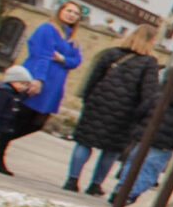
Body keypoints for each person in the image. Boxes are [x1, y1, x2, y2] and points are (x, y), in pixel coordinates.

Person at [67, 24, 159, 194]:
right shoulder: (149, 63)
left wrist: (89, 100)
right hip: (124, 113)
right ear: (151, 40)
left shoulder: (112, 53)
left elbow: (93, 78)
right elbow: (149, 93)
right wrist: (139, 114)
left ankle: (72, 180)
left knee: (84, 143)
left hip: (97, 104)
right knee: (111, 150)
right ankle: (95, 184)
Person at [0, 0, 82, 168]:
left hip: (54, 86)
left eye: (76, 13)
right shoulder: (47, 29)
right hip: (38, 77)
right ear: (60, 11)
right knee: (18, 117)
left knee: (37, 122)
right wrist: (38, 79)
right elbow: (43, 55)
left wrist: (62, 58)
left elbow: (76, 61)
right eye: (69, 11)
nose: (72, 15)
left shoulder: (72, 39)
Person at [125, 69, 173, 201]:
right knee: (150, 170)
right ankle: (131, 195)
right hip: (164, 143)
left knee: (133, 163)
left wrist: (139, 129)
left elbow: (141, 111)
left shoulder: (160, 96)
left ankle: (120, 190)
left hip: (144, 136)